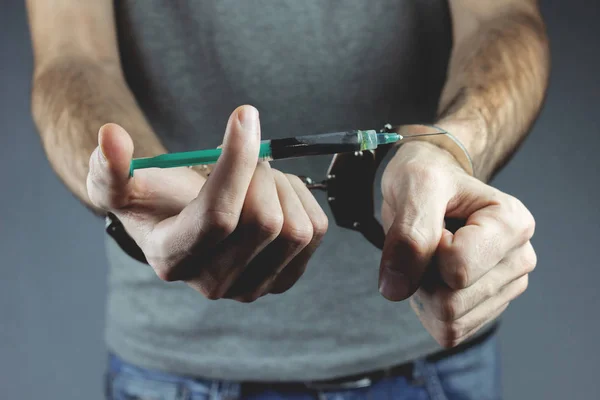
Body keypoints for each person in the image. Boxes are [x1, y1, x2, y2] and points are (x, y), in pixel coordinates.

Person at [25, 0, 549, 398]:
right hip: (171, 368)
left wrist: (454, 143)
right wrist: (127, 182)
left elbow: (503, 19)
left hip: (426, 360)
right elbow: (71, 57)